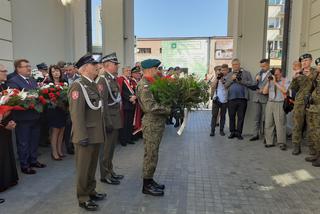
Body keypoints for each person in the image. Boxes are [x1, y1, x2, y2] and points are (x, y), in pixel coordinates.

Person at [69, 54, 106, 211]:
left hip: (95, 133)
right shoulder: (78, 86)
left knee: (91, 167)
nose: (97, 66)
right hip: (85, 135)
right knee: (84, 168)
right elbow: (76, 114)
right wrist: (81, 135)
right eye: (93, 64)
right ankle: (83, 197)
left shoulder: (91, 84)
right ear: (84, 68)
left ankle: (91, 191)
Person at [136, 59, 171, 196]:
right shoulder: (144, 85)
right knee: (150, 154)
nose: (158, 72)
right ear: (150, 69)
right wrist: (168, 109)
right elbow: (149, 107)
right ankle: (146, 185)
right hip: (151, 123)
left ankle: (150, 180)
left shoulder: (151, 83)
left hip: (156, 123)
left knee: (153, 153)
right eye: (156, 69)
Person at [7, 59, 46, 174]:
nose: (29, 68)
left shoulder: (32, 80)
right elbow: (17, 99)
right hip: (23, 118)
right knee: (23, 142)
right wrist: (33, 96)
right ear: (18, 68)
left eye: (29, 66)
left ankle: (33, 160)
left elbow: (37, 94)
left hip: (35, 116)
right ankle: (25, 165)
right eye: (25, 66)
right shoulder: (13, 81)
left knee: (34, 141)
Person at [96, 52, 124, 185]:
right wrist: (107, 121)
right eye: (115, 64)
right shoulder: (103, 80)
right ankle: (104, 174)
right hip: (109, 120)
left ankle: (110, 171)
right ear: (107, 65)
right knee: (106, 149)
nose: (117, 66)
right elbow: (103, 104)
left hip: (115, 118)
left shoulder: (111, 78)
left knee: (111, 149)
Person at [290, 53, 318, 155]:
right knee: (297, 125)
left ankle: (313, 148)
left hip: (312, 103)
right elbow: (293, 89)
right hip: (300, 103)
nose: (304, 63)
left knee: (312, 126)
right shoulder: (299, 73)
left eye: (306, 61)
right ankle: (296, 146)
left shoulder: (316, 72)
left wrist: (308, 75)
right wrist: (294, 78)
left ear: (310, 61)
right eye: (302, 61)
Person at [0, 64, 19, 193]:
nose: (6, 72)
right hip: (1, 124)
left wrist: (10, 120)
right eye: (3, 71)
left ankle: (8, 180)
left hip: (5, 123)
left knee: (6, 152)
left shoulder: (3, 85)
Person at [225, 58, 253, 140]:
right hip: (231, 99)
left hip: (242, 98)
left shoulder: (246, 73)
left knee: (241, 117)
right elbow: (225, 85)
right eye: (233, 65)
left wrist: (240, 81)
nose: (235, 66)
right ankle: (232, 132)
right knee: (231, 116)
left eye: (236, 64)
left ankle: (239, 133)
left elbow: (251, 83)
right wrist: (232, 80)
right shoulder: (229, 74)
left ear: (239, 65)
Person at [262, 68, 290, 150]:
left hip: (280, 103)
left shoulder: (285, 80)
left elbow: (285, 91)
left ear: (281, 73)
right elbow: (264, 92)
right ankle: (269, 142)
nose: (276, 76)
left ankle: (281, 143)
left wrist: (275, 83)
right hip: (270, 103)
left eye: (277, 74)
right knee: (268, 123)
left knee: (280, 123)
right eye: (274, 74)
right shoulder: (270, 80)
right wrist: (268, 82)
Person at [46, 65, 68, 160]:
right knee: (55, 131)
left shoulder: (64, 83)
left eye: (57, 71)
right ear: (51, 73)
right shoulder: (48, 84)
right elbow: (46, 98)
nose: (56, 73)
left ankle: (59, 150)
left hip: (63, 110)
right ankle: (54, 152)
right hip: (53, 110)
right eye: (53, 71)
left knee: (62, 130)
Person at [250, 59, 271, 141]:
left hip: (265, 98)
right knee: (256, 117)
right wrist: (256, 79)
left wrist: (262, 90)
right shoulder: (259, 73)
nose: (262, 68)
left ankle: (266, 136)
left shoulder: (271, 74)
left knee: (266, 118)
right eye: (261, 66)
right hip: (256, 98)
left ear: (268, 65)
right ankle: (255, 134)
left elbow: (272, 86)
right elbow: (253, 84)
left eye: (264, 66)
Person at [305, 57, 320, 166]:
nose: (318, 67)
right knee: (314, 132)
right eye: (317, 65)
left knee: (318, 133)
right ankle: (316, 154)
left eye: (319, 65)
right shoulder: (316, 75)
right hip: (313, 108)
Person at [118, 66, 137, 146]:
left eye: (129, 70)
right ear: (123, 71)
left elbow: (135, 90)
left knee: (129, 123)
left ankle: (129, 138)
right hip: (125, 104)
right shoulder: (121, 80)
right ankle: (123, 139)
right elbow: (121, 92)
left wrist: (135, 96)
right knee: (124, 123)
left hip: (132, 104)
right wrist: (130, 98)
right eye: (127, 70)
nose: (129, 72)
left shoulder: (131, 80)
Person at [210, 64, 229, 137]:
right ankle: (212, 130)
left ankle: (221, 130)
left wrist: (221, 79)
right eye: (219, 70)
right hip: (216, 99)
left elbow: (226, 86)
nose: (221, 71)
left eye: (222, 70)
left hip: (224, 100)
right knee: (214, 116)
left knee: (223, 116)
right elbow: (212, 86)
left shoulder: (226, 78)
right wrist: (217, 79)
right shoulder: (215, 78)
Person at [131, 66, 143, 139]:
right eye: (136, 73)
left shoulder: (140, 81)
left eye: (139, 73)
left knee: (140, 119)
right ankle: (134, 135)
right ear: (132, 74)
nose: (138, 75)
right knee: (135, 120)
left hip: (141, 104)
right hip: (135, 104)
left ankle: (139, 134)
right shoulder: (131, 81)